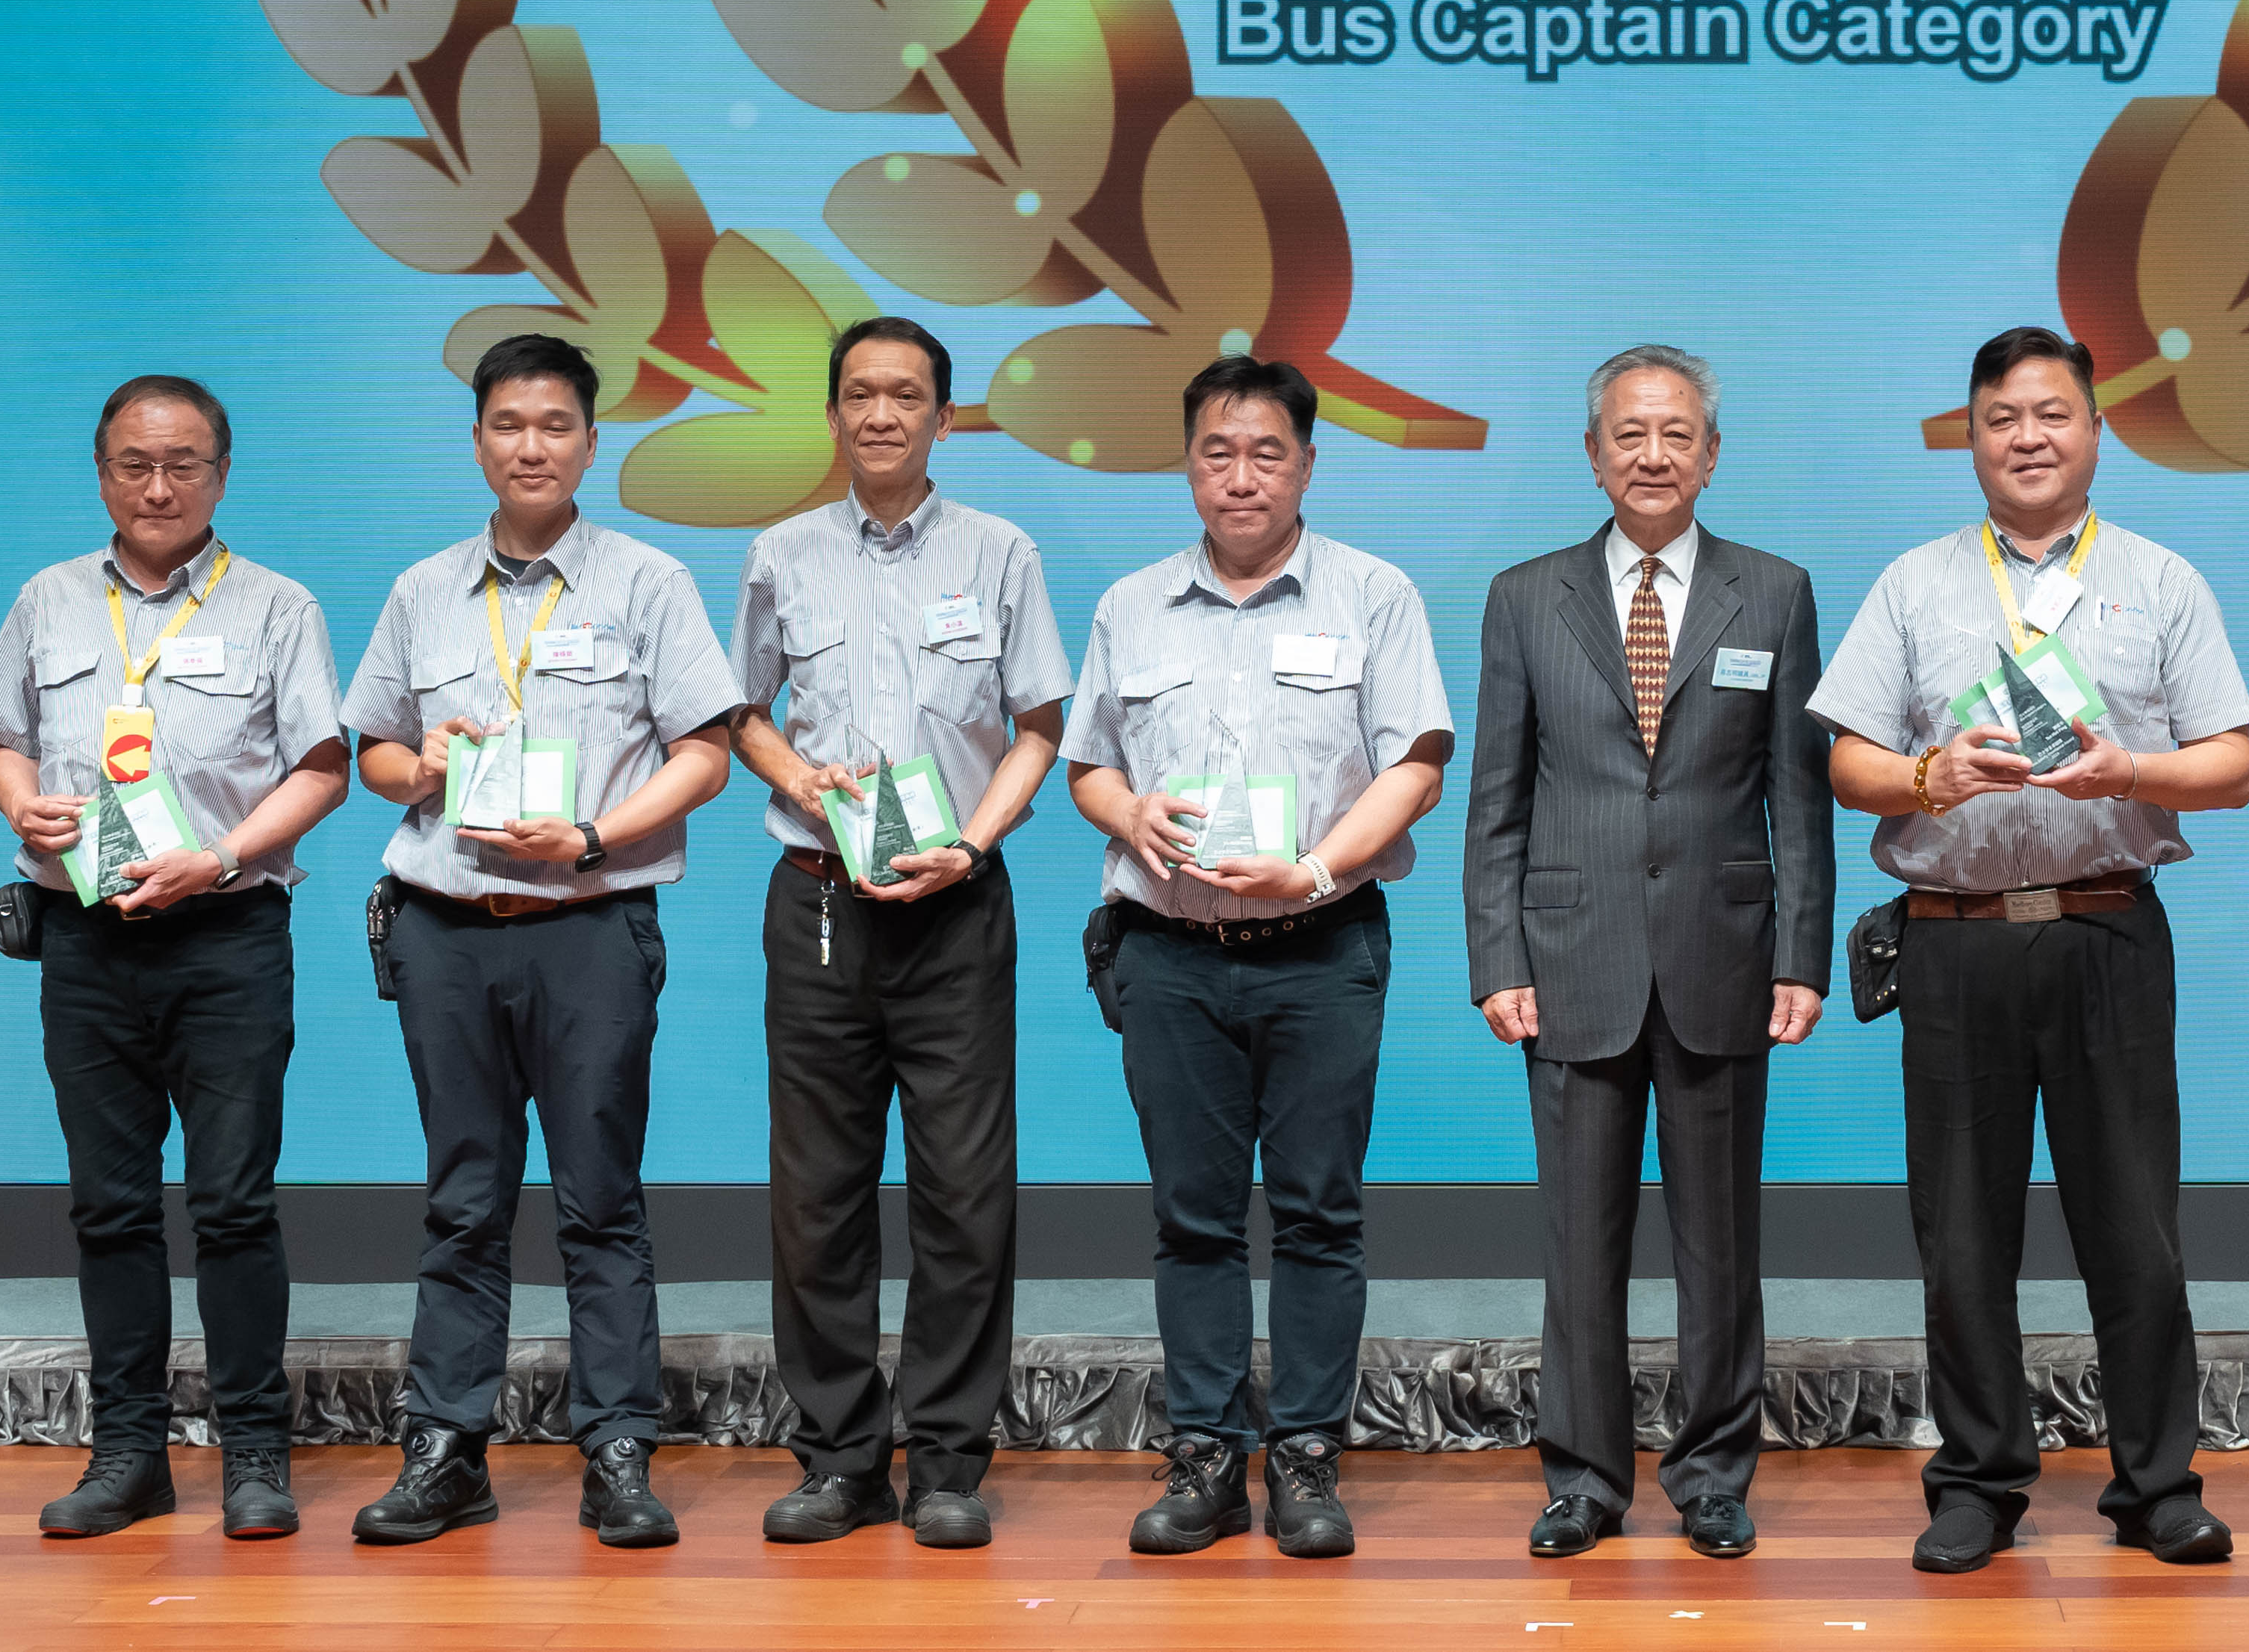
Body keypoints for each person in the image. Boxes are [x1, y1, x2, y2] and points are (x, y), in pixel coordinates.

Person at [1814, 324, 2249, 1576]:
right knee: (1960, 1233)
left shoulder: (2161, 580)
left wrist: (2137, 766)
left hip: (2108, 927)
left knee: (2136, 1226)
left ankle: (2159, 1482)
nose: (2028, 436)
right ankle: (1978, 1480)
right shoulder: (1915, 584)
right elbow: (1844, 760)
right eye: (2001, 415)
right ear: (1969, 436)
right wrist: (1924, 772)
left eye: (2053, 413)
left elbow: (2230, 763)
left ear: (2096, 432)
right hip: (1953, 945)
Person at [341, 331, 745, 1554]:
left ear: (589, 440)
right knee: (463, 1201)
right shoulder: (421, 590)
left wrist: (589, 835)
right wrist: (428, 762)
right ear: (477, 441)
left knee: (600, 1200)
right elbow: (371, 754)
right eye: (509, 424)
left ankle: (618, 1446)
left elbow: (706, 754)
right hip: (446, 931)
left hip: (590, 928)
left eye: (555, 424)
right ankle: (446, 1448)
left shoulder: (648, 582)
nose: (532, 445)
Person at [1061, 354, 1454, 1560]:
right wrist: (1129, 816)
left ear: (1307, 464)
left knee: (1320, 1214)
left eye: (1266, 452)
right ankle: (1203, 1460)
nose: (1241, 475)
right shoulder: (1132, 604)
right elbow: (1089, 764)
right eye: (1218, 453)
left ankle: (1305, 1457)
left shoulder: (1374, 592)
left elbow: (1418, 762)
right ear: (1188, 465)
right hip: (1170, 955)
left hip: (1321, 945)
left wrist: (1318, 869)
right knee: (1193, 1220)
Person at [0, 374, 352, 1542]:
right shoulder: (47, 599)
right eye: (135, 463)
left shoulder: (278, 606)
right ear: (102, 474)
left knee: (233, 1205)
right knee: (110, 1207)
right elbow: (4, 743)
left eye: (184, 462)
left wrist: (223, 856)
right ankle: (127, 1450)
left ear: (222, 474)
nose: (159, 484)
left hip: (226, 936)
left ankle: (253, 1456)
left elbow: (323, 767)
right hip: (84, 937)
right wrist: (21, 805)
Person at [1462, 344, 1834, 1561]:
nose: (1653, 453)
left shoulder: (1774, 593)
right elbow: (1498, 801)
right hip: (1569, 959)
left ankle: (1715, 1471)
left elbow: (1799, 794)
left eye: (1677, 433)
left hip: (1724, 954)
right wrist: (1495, 955)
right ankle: (1583, 1476)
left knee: (1722, 1244)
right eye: (1630, 433)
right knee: (1581, 1245)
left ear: (1713, 453)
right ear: (1592, 453)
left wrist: (1803, 952)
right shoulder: (1526, 597)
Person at [725, 311, 1075, 1551]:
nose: (882, 412)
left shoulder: (1001, 552)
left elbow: (1041, 722)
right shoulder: (780, 552)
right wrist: (800, 774)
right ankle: (836, 1456)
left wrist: (972, 842)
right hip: (818, 897)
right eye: (861, 392)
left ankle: (947, 1459)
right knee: (816, 1191)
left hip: (957, 899)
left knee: (964, 1193)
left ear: (944, 415)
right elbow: (738, 714)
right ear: (833, 413)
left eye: (907, 393)